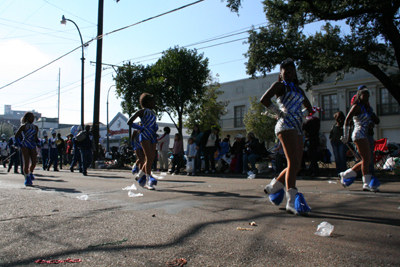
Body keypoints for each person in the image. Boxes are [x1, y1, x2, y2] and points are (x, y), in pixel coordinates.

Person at [261, 59, 313, 215]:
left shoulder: (299, 90)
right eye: (286, 69)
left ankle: (274, 187)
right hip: (285, 125)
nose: (289, 71)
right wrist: (278, 112)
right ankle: (291, 200)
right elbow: (264, 99)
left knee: (296, 165)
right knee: (293, 162)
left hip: (297, 126)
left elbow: (309, 108)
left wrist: (301, 115)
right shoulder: (279, 86)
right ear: (281, 73)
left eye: (292, 69)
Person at [340, 88, 381, 191]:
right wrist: (345, 136)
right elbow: (347, 120)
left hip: (364, 135)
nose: (366, 98)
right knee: (366, 159)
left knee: (366, 159)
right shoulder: (356, 107)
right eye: (364, 96)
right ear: (359, 95)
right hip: (358, 134)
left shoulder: (366, 108)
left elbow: (376, 121)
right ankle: (366, 183)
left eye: (368, 96)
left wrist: (371, 122)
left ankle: (347, 174)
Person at [127, 93, 158, 190]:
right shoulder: (142, 111)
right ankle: (149, 181)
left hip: (152, 136)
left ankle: (140, 175)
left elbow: (153, 124)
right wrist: (141, 128)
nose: (154, 103)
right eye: (153, 101)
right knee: (148, 158)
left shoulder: (152, 113)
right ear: (148, 102)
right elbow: (129, 122)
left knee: (151, 159)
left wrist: (155, 128)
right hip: (145, 136)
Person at [15, 112, 39, 186]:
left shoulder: (36, 127)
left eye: (33, 117)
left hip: (32, 144)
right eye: (30, 117)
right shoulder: (23, 126)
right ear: (27, 118)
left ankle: (31, 172)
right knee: (26, 161)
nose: (32, 119)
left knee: (34, 162)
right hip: (25, 144)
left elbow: (35, 137)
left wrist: (38, 143)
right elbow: (16, 135)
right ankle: (26, 177)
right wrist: (19, 144)